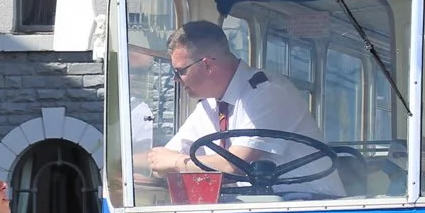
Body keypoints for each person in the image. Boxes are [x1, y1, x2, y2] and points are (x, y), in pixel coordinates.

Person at [145, 20, 343, 197]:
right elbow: (160, 161)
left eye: (180, 71)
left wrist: (177, 163)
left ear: (207, 65)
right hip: (258, 207)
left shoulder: (268, 93)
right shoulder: (209, 105)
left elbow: (234, 166)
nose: (175, 79)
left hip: (311, 206)